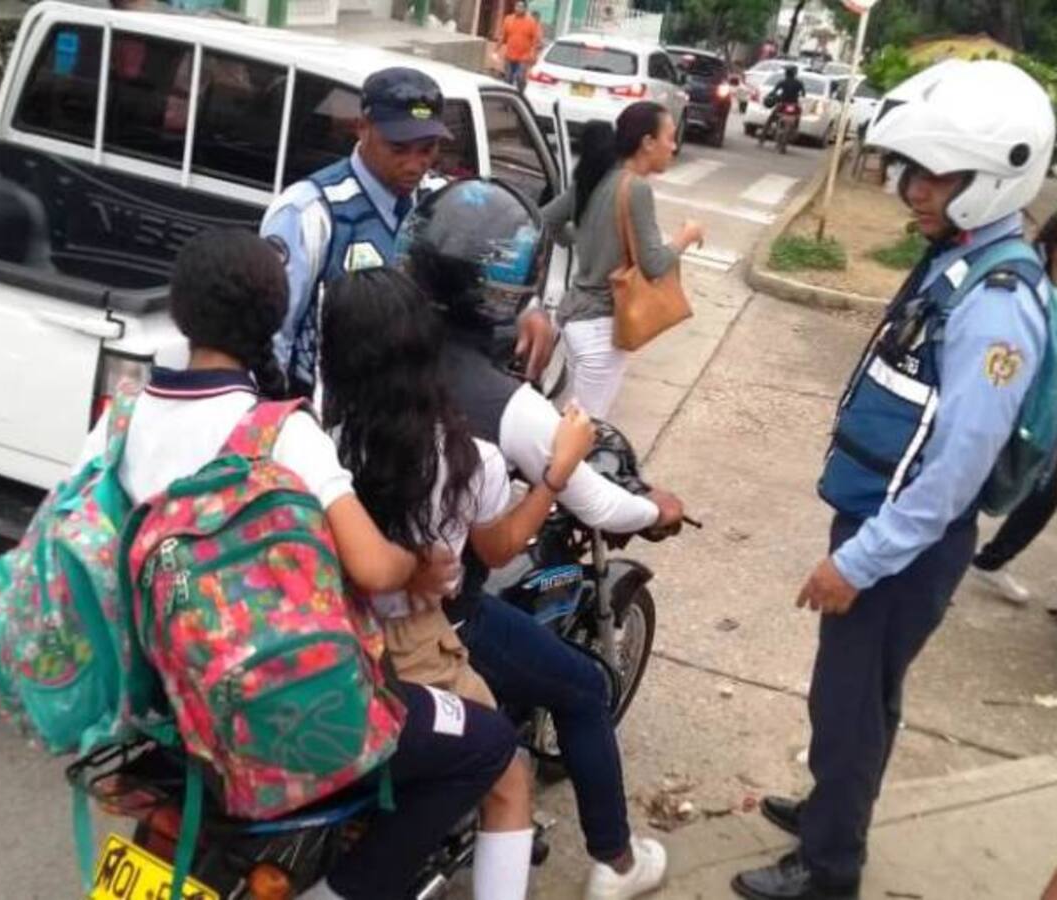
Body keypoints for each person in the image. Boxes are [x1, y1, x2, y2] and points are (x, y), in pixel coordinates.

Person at [81, 228, 519, 900]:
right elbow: (374, 571)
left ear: (181, 310)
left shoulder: (121, 419)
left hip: (163, 699)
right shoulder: (280, 431)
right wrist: (418, 566)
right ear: (271, 319)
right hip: (273, 710)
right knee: (489, 745)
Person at [732, 59, 1055, 900]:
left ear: (993, 179)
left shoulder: (999, 297)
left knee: (846, 702)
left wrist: (860, 561)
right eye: (911, 169)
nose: (911, 188)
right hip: (889, 522)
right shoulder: (962, 253)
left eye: (935, 175)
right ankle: (833, 812)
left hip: (908, 541)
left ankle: (830, 868)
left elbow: (958, 468)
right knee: (862, 695)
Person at [399, 177, 686, 900]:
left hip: (350, 585)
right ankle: (617, 864)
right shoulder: (514, 411)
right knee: (586, 689)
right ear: (508, 286)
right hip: (436, 610)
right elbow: (595, 504)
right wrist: (654, 511)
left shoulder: (372, 344)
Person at [321, 267, 597, 900]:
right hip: (413, 651)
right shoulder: (465, 458)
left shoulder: (317, 436)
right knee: (507, 773)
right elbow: (499, 547)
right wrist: (557, 474)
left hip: (326, 631)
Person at [261, 65, 554, 400]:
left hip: (413, 420)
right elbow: (272, 338)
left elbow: (489, 274)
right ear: (363, 129)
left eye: (427, 149)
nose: (415, 164)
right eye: (398, 148)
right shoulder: (311, 213)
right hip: (328, 423)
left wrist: (529, 309)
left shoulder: (446, 205)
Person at [542, 106, 705, 418]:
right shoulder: (637, 188)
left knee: (571, 426)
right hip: (601, 329)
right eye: (670, 138)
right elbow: (654, 264)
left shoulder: (593, 178)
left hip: (575, 320)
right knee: (583, 436)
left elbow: (545, 220)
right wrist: (686, 235)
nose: (674, 146)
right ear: (647, 142)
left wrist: (582, 237)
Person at [966, 211, 1057, 612]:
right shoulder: (1025, 288)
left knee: (1045, 490)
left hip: (1038, 421)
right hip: (1008, 414)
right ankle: (933, 561)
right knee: (967, 478)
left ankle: (992, 558)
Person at [497, 0, 540, 92]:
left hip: (523, 57)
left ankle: (520, 95)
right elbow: (502, 36)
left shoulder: (531, 22)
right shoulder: (508, 19)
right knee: (507, 79)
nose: (518, 9)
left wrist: (533, 55)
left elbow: (535, 41)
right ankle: (507, 100)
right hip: (509, 56)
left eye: (521, 7)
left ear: (525, 9)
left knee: (520, 78)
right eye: (517, 6)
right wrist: (496, 50)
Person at [759, 63, 805, 145]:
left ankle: (762, 138)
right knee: (797, 117)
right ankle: (795, 129)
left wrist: (772, 95)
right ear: (795, 73)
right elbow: (804, 94)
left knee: (770, 120)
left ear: (786, 73)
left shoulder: (782, 82)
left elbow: (774, 91)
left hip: (783, 104)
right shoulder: (799, 83)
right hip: (794, 104)